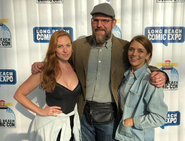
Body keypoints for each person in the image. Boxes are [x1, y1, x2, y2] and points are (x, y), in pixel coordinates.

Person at [31, 3, 168, 141]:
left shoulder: (125, 47)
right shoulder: (78, 46)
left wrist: (163, 75)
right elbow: (61, 59)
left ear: (113, 23)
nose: (99, 24)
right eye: (96, 20)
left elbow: (140, 62)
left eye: (105, 21)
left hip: (110, 115)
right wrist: (43, 65)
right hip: (83, 113)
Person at [14, 31, 82, 141]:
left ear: (72, 47)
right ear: (54, 49)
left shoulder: (75, 67)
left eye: (68, 45)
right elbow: (18, 94)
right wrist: (40, 111)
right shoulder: (45, 71)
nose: (65, 50)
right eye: (60, 46)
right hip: (51, 127)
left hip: (72, 125)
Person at [115, 35, 168, 141]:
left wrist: (133, 121)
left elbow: (159, 117)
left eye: (140, 51)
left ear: (148, 55)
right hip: (122, 134)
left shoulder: (151, 80)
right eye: (131, 49)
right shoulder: (126, 75)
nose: (134, 54)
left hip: (137, 137)